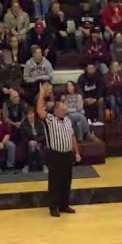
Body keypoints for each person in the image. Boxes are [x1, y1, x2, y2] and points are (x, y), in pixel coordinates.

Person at [36, 81, 82, 218]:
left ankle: (64, 204)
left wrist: (77, 152)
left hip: (67, 154)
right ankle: (53, 207)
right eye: (63, 109)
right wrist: (41, 95)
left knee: (66, 181)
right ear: (56, 110)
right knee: (55, 181)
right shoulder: (50, 119)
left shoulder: (68, 120)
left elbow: (72, 136)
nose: (65, 111)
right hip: (55, 154)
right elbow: (39, 110)